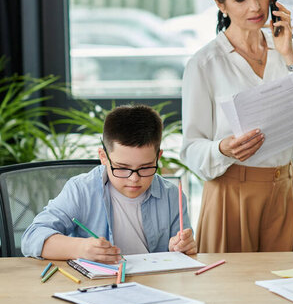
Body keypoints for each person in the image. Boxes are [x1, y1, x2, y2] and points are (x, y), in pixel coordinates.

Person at [181, 0, 293, 253]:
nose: (255, 7)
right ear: (220, 5)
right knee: (234, 295)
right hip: (230, 193)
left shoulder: (291, 51)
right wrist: (222, 148)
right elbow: (191, 149)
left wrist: (290, 57)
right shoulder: (204, 65)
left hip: (284, 189)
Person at [22, 104, 196, 262]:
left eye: (145, 167)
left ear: (158, 157)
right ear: (103, 157)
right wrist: (81, 248)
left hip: (156, 285)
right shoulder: (81, 190)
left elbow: (184, 252)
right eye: (122, 168)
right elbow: (32, 237)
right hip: (99, 287)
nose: (133, 178)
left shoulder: (171, 195)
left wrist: (182, 247)